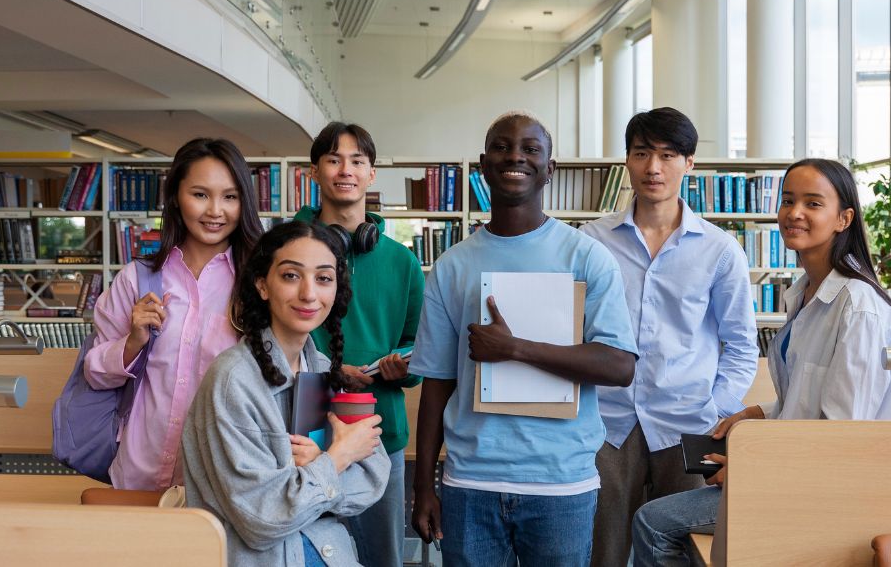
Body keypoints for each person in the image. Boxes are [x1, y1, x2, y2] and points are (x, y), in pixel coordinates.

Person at [632, 158, 891, 567]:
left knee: (655, 522)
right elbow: (815, 397)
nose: (794, 213)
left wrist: (751, 467)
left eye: (813, 204)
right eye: (788, 200)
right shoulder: (803, 295)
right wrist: (759, 412)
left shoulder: (858, 308)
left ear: (843, 219)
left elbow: (844, 432)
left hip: (828, 487)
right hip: (798, 471)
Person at [410, 111, 639, 567]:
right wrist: (423, 489)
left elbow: (620, 366)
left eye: (531, 149)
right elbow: (436, 385)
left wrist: (514, 349)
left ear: (549, 168)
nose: (515, 155)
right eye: (502, 146)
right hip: (470, 482)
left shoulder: (586, 257)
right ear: (482, 164)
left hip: (561, 484)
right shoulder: (453, 266)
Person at [581, 108, 759, 567]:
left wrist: (716, 412)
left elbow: (741, 345)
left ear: (689, 163)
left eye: (666, 155)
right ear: (627, 161)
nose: (653, 167)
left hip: (688, 424)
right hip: (605, 422)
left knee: (683, 553)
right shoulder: (591, 241)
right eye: (642, 153)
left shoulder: (720, 250)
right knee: (601, 552)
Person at [183, 221, 390, 567]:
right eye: (292, 276)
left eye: (323, 278)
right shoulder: (233, 380)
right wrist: (336, 459)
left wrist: (313, 473)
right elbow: (262, 518)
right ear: (263, 285)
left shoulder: (323, 368)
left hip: (330, 552)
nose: (309, 293)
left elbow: (374, 477)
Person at [84, 138, 262, 490]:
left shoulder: (261, 284)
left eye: (230, 196)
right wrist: (133, 342)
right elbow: (95, 374)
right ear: (176, 199)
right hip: (138, 471)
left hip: (223, 479)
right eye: (200, 194)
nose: (215, 211)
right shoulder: (136, 279)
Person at [293, 121, 424, 567]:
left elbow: (418, 343)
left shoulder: (402, 261)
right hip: (299, 430)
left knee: (382, 558)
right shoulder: (287, 250)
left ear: (371, 175)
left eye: (357, 161)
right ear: (314, 172)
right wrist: (330, 369)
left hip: (377, 433)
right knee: (303, 553)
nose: (344, 170)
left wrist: (405, 366)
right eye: (333, 159)